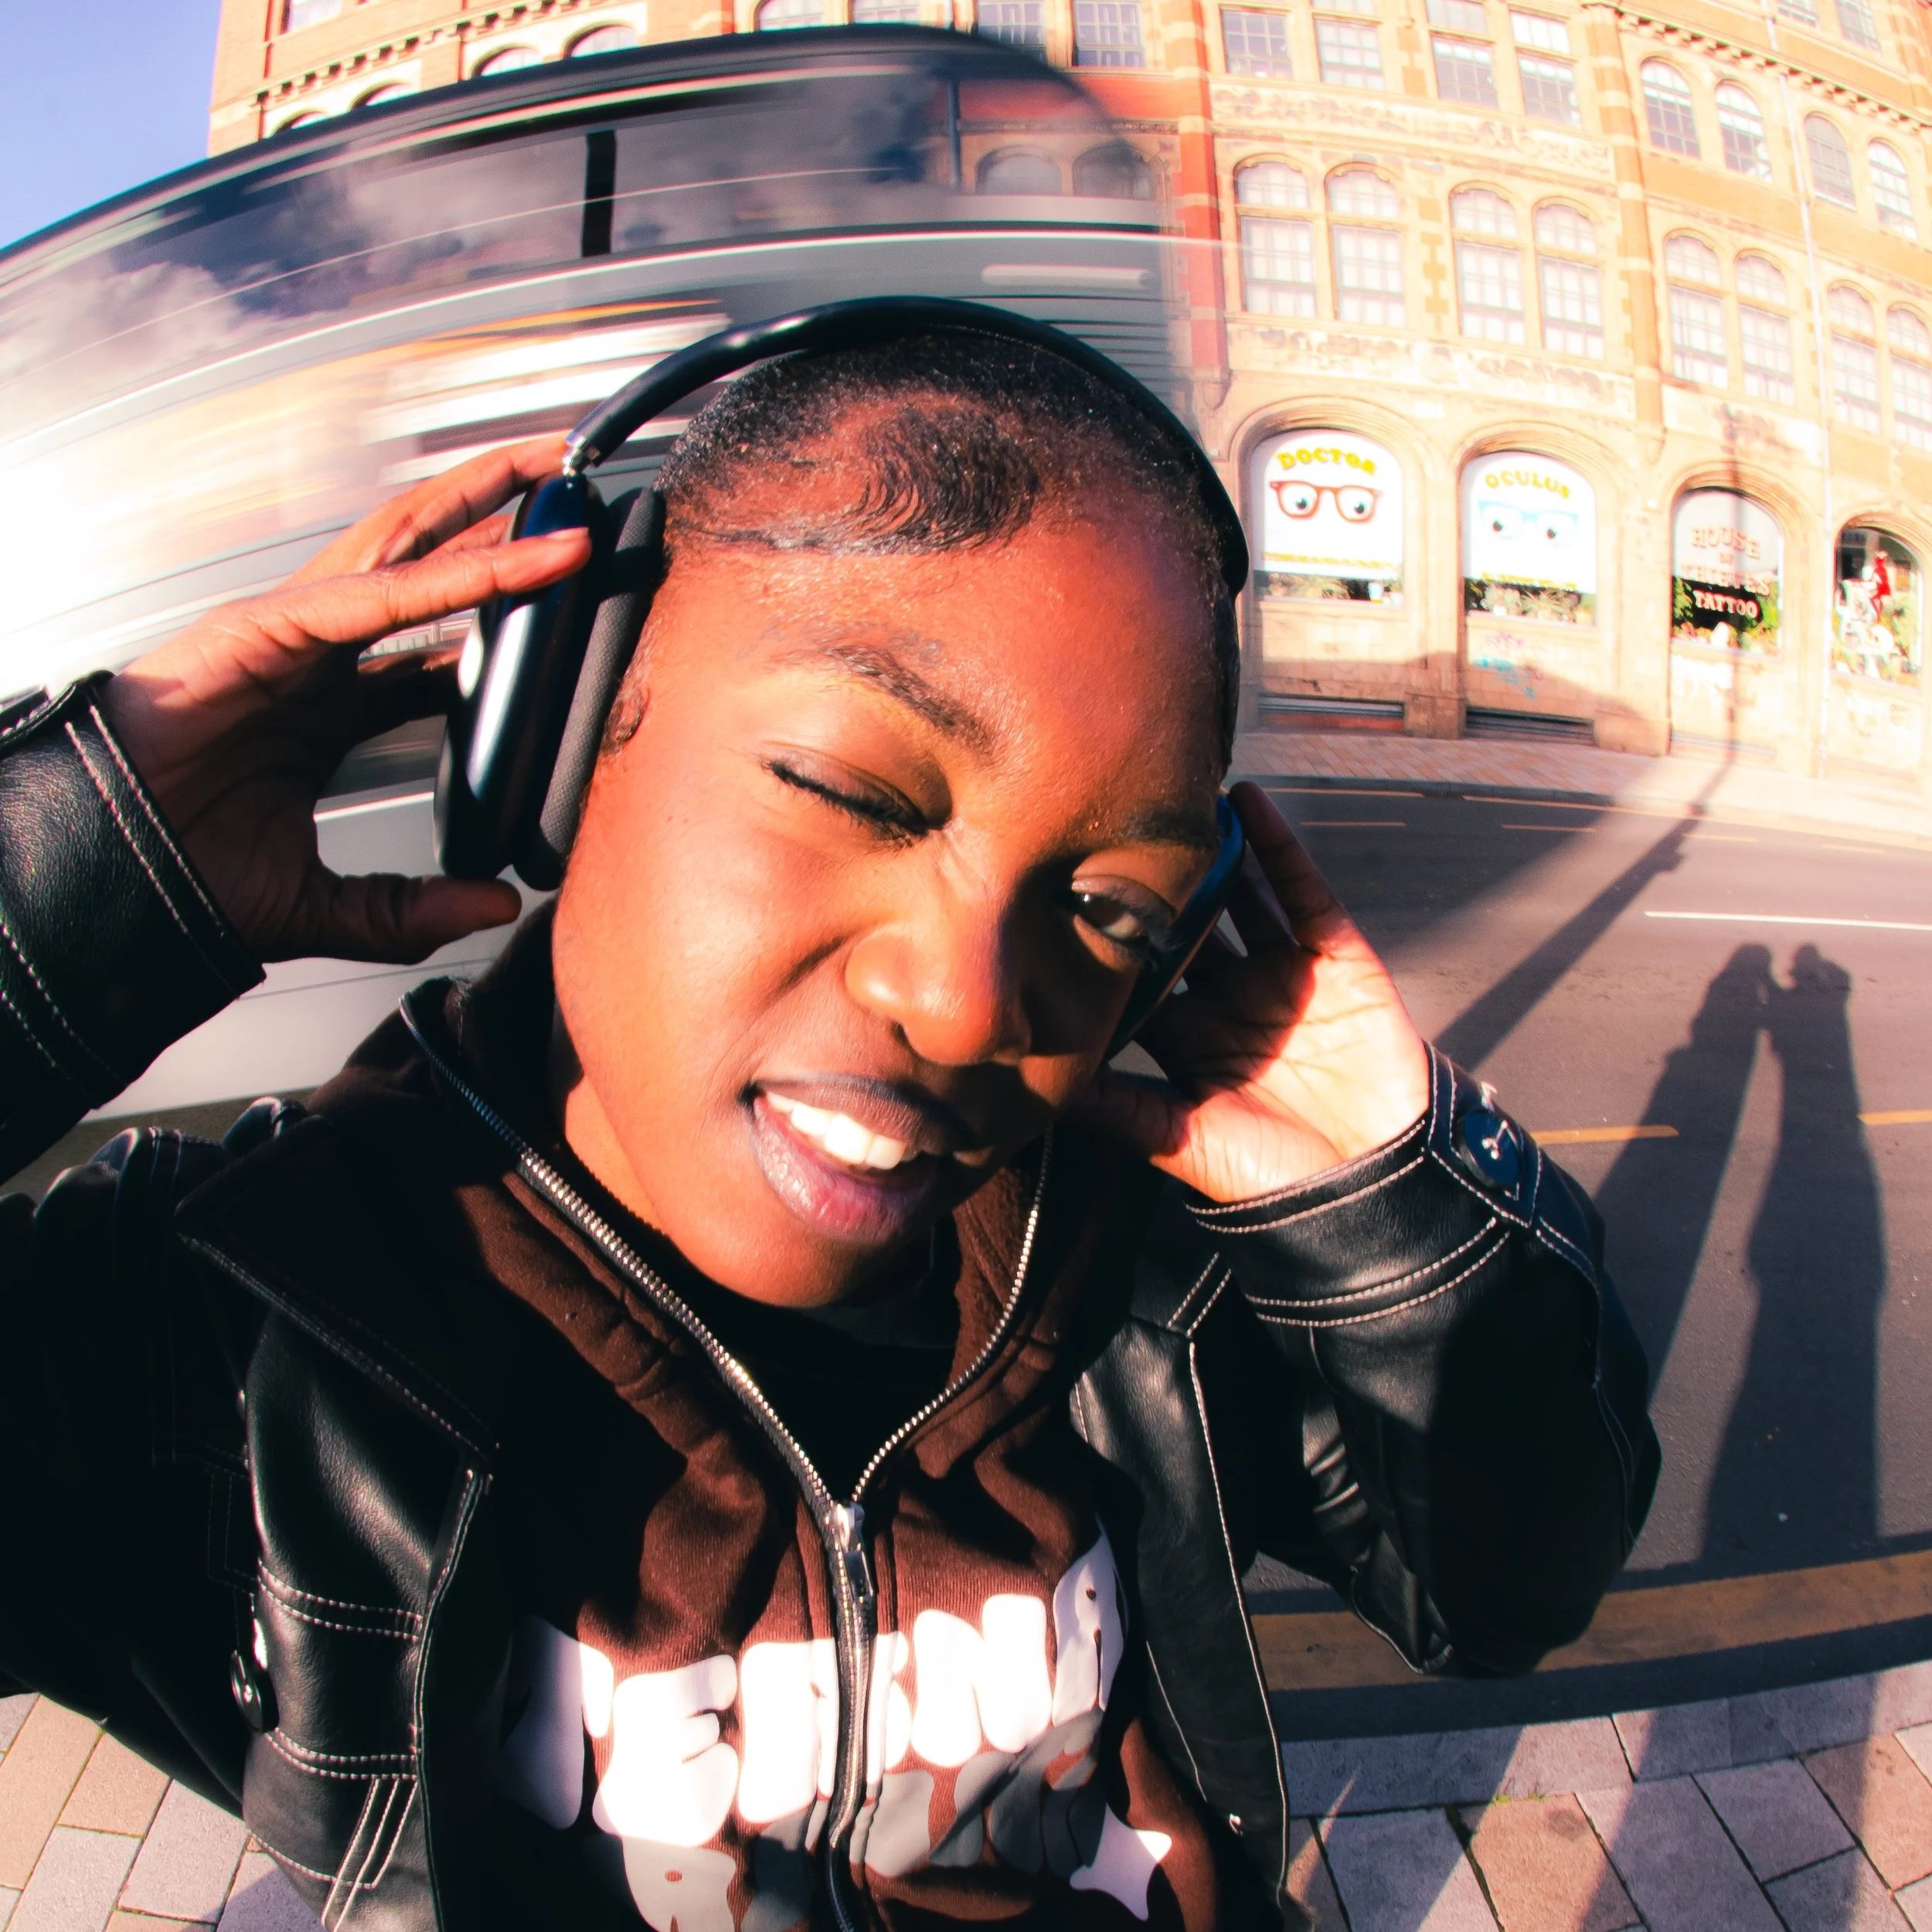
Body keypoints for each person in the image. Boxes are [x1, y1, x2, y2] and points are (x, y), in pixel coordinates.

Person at [0, 329, 1658, 1932]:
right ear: (560, 737)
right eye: (853, 792)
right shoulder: (242, 1318)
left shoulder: (1148, 1273)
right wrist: (89, 855)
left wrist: (1387, 1211)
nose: (965, 1001)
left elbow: (1505, 1589)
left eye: (1109, 909)